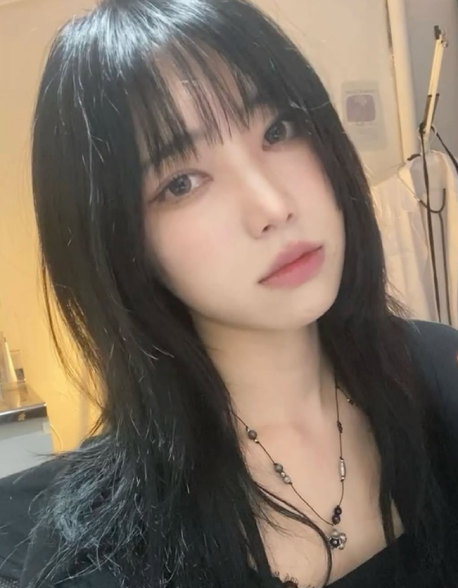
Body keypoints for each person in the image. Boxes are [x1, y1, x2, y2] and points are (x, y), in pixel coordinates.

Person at [0, 0, 458, 587]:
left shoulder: (439, 375)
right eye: (181, 183)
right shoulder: (101, 558)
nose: (273, 206)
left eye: (278, 130)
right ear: (120, 243)